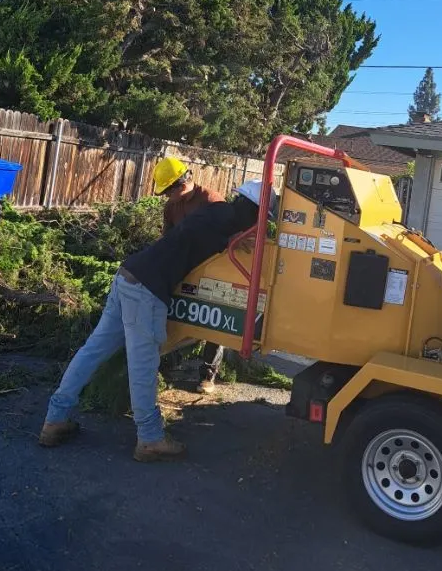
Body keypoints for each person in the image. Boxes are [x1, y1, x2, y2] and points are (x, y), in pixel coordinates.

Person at [39, 181, 273, 462]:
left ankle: (55, 419)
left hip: (128, 275)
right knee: (143, 365)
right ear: (257, 213)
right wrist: (237, 240)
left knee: (92, 352)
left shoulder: (217, 213)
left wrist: (233, 238)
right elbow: (222, 244)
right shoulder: (224, 222)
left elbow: (196, 237)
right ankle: (150, 439)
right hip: (145, 290)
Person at [152, 156, 226, 395]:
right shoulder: (171, 207)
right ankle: (170, 361)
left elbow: (229, 239)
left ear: (181, 185)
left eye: (167, 192)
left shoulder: (212, 201)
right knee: (177, 315)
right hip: (183, 268)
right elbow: (167, 239)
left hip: (213, 269)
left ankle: (208, 375)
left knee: (215, 323)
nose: (165, 197)